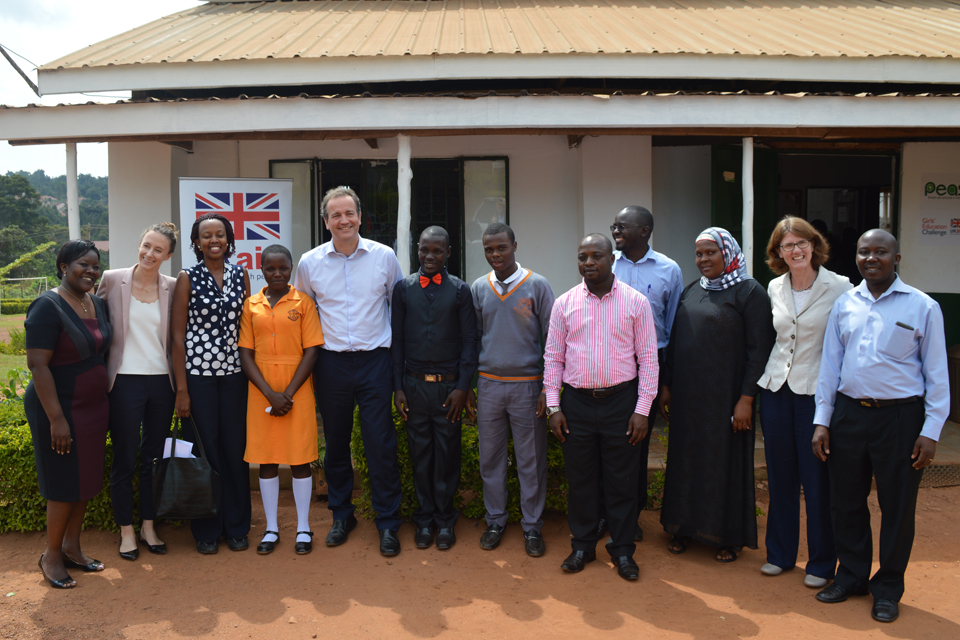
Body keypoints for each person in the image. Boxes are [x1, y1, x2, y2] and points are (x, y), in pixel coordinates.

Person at [811, 229, 949, 623]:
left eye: (881, 252)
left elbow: (938, 374)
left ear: (897, 257)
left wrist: (931, 430)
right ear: (855, 257)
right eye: (864, 252)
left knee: (897, 506)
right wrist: (823, 420)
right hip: (850, 415)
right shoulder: (845, 304)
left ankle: (887, 587)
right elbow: (830, 367)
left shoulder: (922, 307)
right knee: (846, 501)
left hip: (901, 419)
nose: (871, 258)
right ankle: (852, 576)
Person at [294, 186, 405, 557]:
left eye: (349, 213)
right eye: (335, 215)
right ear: (326, 221)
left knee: (380, 444)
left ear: (360, 216)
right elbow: (304, 317)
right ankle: (342, 514)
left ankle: (388, 521)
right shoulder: (309, 263)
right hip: (331, 363)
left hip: (375, 362)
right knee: (336, 444)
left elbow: (397, 309)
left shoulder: (384, 257)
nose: (343, 220)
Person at [544, 234, 659, 581]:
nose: (589, 262)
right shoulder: (564, 304)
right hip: (576, 403)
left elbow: (649, 361)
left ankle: (623, 551)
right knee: (581, 480)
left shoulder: (636, 303)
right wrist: (553, 406)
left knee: (621, 481)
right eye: (583, 257)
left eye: (597, 255)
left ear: (612, 259)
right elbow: (553, 358)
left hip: (622, 403)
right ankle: (582, 546)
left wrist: (642, 410)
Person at [659, 227, 774, 563]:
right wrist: (667, 386)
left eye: (711, 252)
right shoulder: (692, 291)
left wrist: (746, 399)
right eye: (699, 254)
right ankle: (683, 527)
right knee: (686, 460)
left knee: (724, 463)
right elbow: (676, 343)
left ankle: (728, 536)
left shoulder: (750, 293)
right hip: (689, 397)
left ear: (728, 253)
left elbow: (759, 351)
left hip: (727, 399)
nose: (703, 259)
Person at [756, 216, 851, 588]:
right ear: (777, 252)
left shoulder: (841, 287)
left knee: (816, 481)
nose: (795, 250)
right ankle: (779, 555)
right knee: (780, 476)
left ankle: (822, 563)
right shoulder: (774, 287)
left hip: (817, 395)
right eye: (786, 245)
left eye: (801, 243)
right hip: (777, 391)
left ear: (814, 245)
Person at [26, 240, 112, 588]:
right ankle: (51, 556)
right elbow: (37, 365)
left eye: (95, 266)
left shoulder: (97, 303)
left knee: (86, 480)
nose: (90, 271)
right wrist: (56, 419)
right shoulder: (47, 306)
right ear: (63, 266)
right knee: (63, 484)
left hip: (93, 407)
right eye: (83, 264)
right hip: (58, 406)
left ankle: (73, 547)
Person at [467, 222, 555, 556]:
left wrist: (549, 387)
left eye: (501, 247)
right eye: (489, 249)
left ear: (515, 246)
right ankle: (496, 520)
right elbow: (474, 339)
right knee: (490, 459)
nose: (495, 255)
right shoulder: (479, 287)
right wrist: (472, 385)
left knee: (530, 460)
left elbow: (552, 340)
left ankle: (532, 527)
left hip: (527, 387)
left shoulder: (538, 285)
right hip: (489, 386)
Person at [391, 227, 477, 551]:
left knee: (447, 456)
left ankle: (445, 520)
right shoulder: (403, 289)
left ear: (449, 253)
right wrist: (397, 387)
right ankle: (423, 519)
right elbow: (397, 341)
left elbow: (470, 341)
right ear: (417, 249)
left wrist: (463, 387)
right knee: (420, 455)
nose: (430, 257)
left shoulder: (460, 291)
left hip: (448, 390)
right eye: (424, 250)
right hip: (413, 387)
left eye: (437, 251)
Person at [98, 222, 179, 561]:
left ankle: (148, 526)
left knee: (153, 458)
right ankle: (126, 532)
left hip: (162, 382)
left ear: (168, 255)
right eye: (146, 245)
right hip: (124, 382)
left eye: (158, 250)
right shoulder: (112, 279)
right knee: (124, 458)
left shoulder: (173, 287)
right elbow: (96, 324)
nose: (149, 253)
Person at [172, 212, 251, 555]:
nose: (214, 240)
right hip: (198, 379)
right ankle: (206, 529)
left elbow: (249, 327)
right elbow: (177, 337)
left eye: (220, 234)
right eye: (206, 235)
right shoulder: (187, 277)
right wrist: (182, 389)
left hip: (235, 377)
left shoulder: (240, 274)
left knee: (235, 451)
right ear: (197, 242)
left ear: (229, 240)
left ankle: (236, 526)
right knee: (206, 454)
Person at [239, 245, 324, 556]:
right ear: (260, 270)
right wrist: (270, 394)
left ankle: (304, 527)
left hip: (297, 389)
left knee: (300, 459)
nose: (277, 274)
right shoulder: (251, 305)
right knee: (268, 459)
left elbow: (312, 350)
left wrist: (286, 395)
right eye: (270, 269)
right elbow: (245, 353)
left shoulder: (303, 302)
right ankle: (272, 528)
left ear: (292, 269)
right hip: (260, 389)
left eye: (283, 268)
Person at [608, 205, 682, 542]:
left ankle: (631, 515)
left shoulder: (669, 270)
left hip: (652, 364)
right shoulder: (605, 263)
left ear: (645, 230)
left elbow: (674, 328)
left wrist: (665, 382)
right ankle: (604, 514)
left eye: (622, 226)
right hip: (613, 366)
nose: (615, 231)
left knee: (636, 444)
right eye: (614, 226)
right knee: (609, 442)